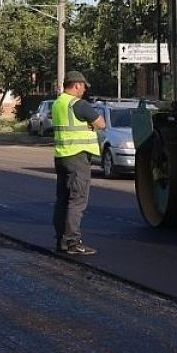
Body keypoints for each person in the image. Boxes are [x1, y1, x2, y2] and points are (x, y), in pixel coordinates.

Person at [50, 70, 105, 255]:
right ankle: (73, 242)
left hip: (62, 156)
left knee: (63, 199)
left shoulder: (58, 103)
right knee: (77, 200)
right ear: (76, 85)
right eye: (83, 86)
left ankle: (61, 239)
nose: (84, 90)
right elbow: (101, 123)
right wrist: (90, 124)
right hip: (78, 157)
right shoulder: (78, 104)